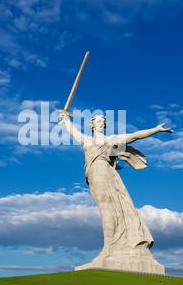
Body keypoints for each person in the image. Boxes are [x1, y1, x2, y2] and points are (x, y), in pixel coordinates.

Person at [58, 111, 173, 260]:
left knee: (107, 209)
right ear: (92, 125)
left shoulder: (111, 140)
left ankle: (108, 248)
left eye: (102, 121)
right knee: (107, 209)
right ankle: (113, 246)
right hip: (92, 175)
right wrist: (65, 120)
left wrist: (155, 130)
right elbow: (73, 131)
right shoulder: (86, 140)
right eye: (97, 121)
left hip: (103, 172)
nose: (100, 123)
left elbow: (135, 136)